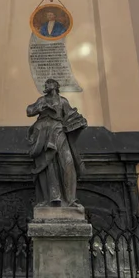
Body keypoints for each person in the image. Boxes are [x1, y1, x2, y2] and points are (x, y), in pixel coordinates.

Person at [26, 79, 87, 207]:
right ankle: (50, 198)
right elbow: (29, 111)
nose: (46, 85)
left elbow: (71, 115)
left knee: (68, 162)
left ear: (55, 86)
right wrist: (40, 108)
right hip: (42, 133)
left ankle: (71, 199)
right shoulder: (42, 100)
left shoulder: (63, 101)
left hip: (58, 132)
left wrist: (80, 122)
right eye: (46, 84)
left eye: (48, 83)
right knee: (47, 165)